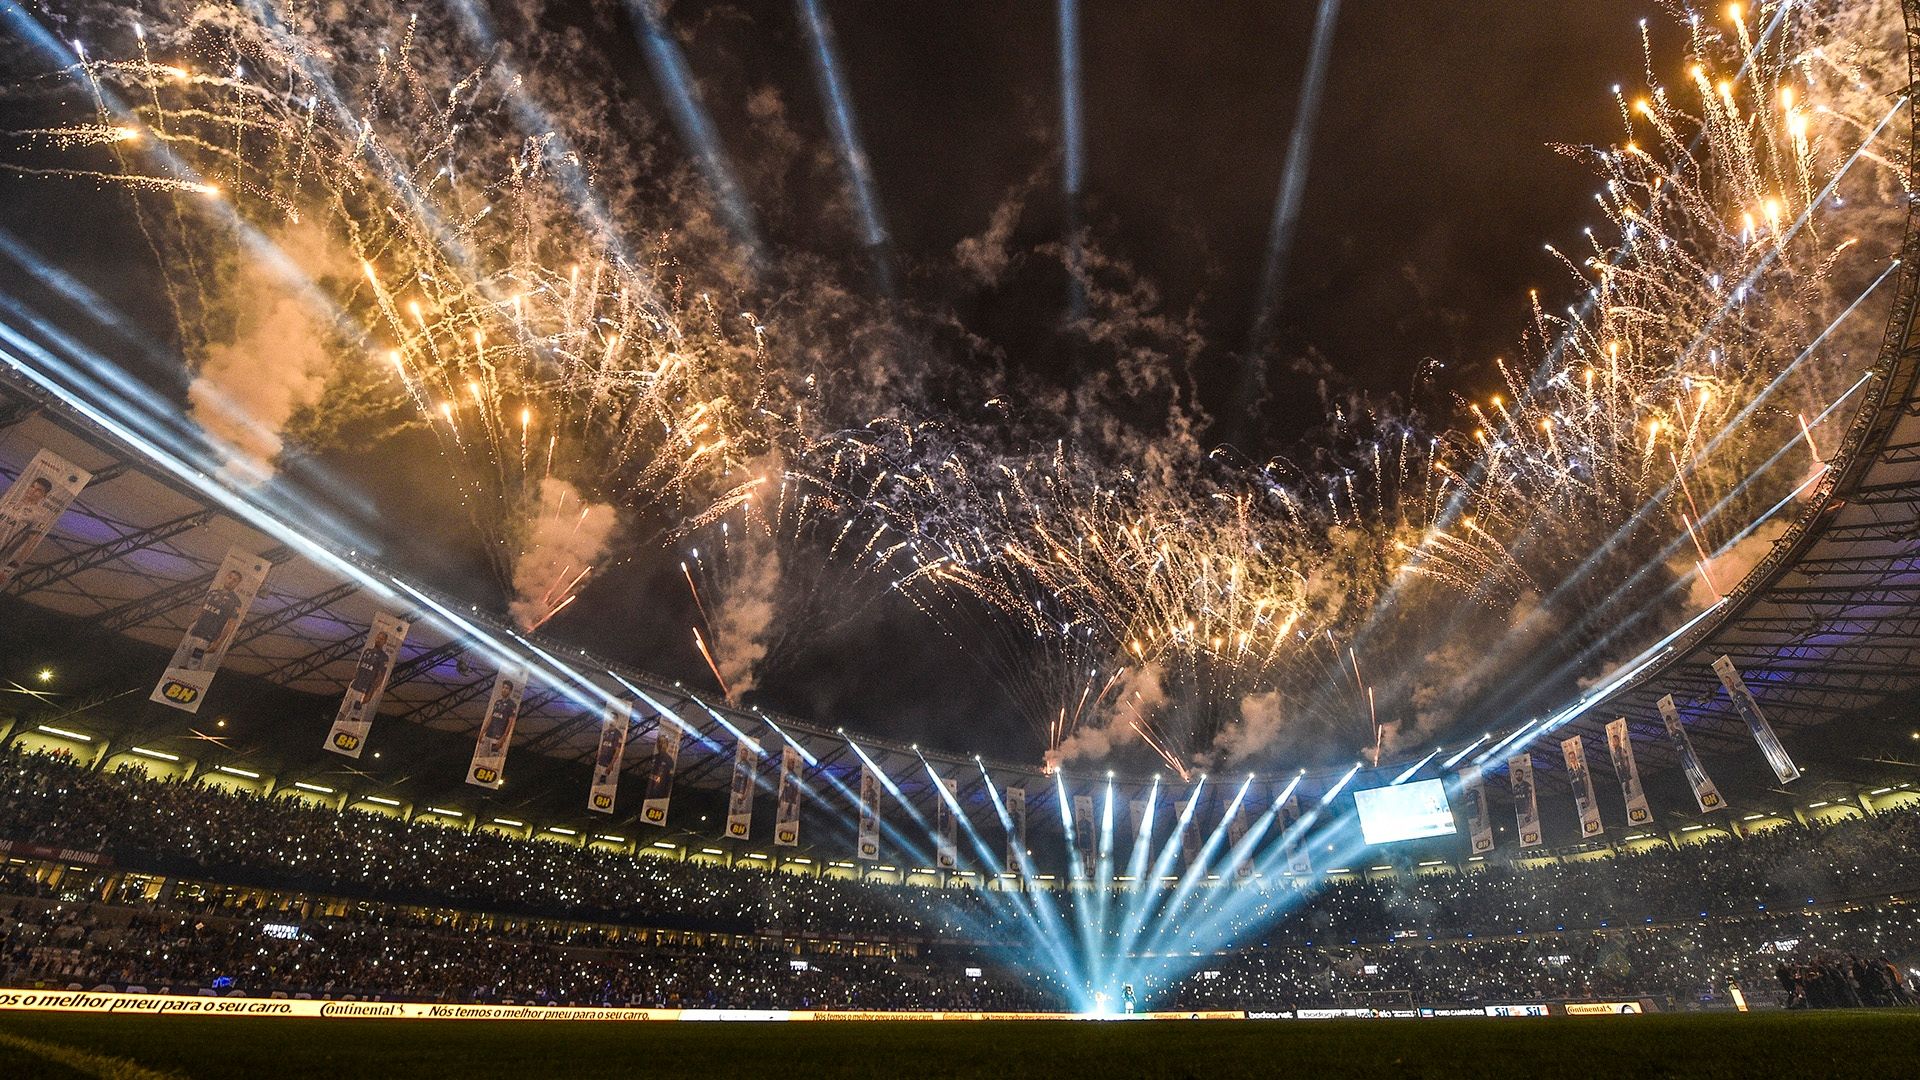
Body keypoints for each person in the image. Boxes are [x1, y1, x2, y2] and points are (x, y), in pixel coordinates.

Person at [182, 569, 247, 671]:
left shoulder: (235, 602)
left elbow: (231, 624)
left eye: (234, 580)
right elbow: (200, 610)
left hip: (207, 638)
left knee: (192, 666)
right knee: (181, 663)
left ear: (237, 584)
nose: (231, 581)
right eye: (230, 577)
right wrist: (188, 622)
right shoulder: (212, 593)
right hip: (193, 632)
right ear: (226, 577)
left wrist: (218, 642)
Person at [0, 475, 55, 571]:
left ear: (44, 496)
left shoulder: (38, 515)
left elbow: (32, 542)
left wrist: (15, 563)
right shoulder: (9, 503)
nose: (33, 491)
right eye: (32, 487)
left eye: (38, 490)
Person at [341, 631, 396, 723]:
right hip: (354, 686)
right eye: (378, 637)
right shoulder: (367, 651)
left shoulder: (384, 657)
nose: (379, 640)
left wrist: (370, 692)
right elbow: (359, 667)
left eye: (381, 639)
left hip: (364, 690)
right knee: (343, 712)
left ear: (385, 642)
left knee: (354, 716)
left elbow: (380, 676)